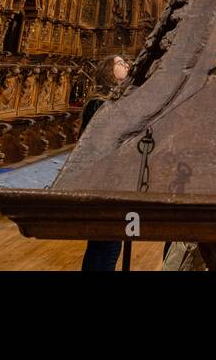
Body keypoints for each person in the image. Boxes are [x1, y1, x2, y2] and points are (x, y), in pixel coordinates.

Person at [78, 54, 130, 271]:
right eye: (120, 63)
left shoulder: (114, 100)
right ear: (108, 71)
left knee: (103, 244)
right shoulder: (99, 103)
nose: (126, 65)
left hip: (109, 178)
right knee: (107, 246)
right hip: (102, 179)